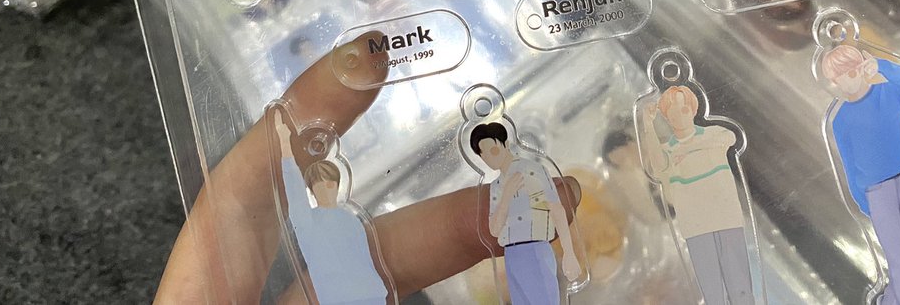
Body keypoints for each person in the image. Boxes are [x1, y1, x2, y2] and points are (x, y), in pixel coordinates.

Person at [154, 38, 583, 302]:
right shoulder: (312, 219)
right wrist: (284, 147)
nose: (490, 155)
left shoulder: (340, 219)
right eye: (485, 150)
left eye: (492, 148)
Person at [821, 46, 900, 305]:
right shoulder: (841, 120)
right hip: (877, 193)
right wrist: (863, 200)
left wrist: (882, 66)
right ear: (834, 83)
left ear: (862, 68)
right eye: (840, 77)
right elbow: (849, 163)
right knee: (899, 262)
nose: (849, 79)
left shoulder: (889, 93)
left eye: (852, 71)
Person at [638, 86, 756, 304]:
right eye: (673, 112)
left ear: (693, 109)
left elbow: (731, 137)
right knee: (712, 292)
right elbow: (658, 165)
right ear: (666, 117)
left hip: (726, 217)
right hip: (695, 226)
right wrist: (648, 124)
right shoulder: (668, 151)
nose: (680, 115)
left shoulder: (714, 134)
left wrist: (691, 150)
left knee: (741, 288)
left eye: (684, 109)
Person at [272, 109, 389, 305]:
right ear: (311, 191)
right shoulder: (308, 221)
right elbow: (294, 192)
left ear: (337, 185)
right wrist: (285, 143)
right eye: (319, 185)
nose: (326, 189)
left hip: (373, 294)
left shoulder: (351, 219)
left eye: (330, 184)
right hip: (340, 299)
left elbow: (366, 259)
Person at [470, 121, 581, 305]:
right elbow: (494, 230)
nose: (490, 159)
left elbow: (556, 209)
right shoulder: (497, 186)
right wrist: (506, 197)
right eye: (484, 155)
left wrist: (569, 253)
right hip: (511, 255)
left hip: (535, 249)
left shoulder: (533, 170)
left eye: (493, 150)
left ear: (505, 144)